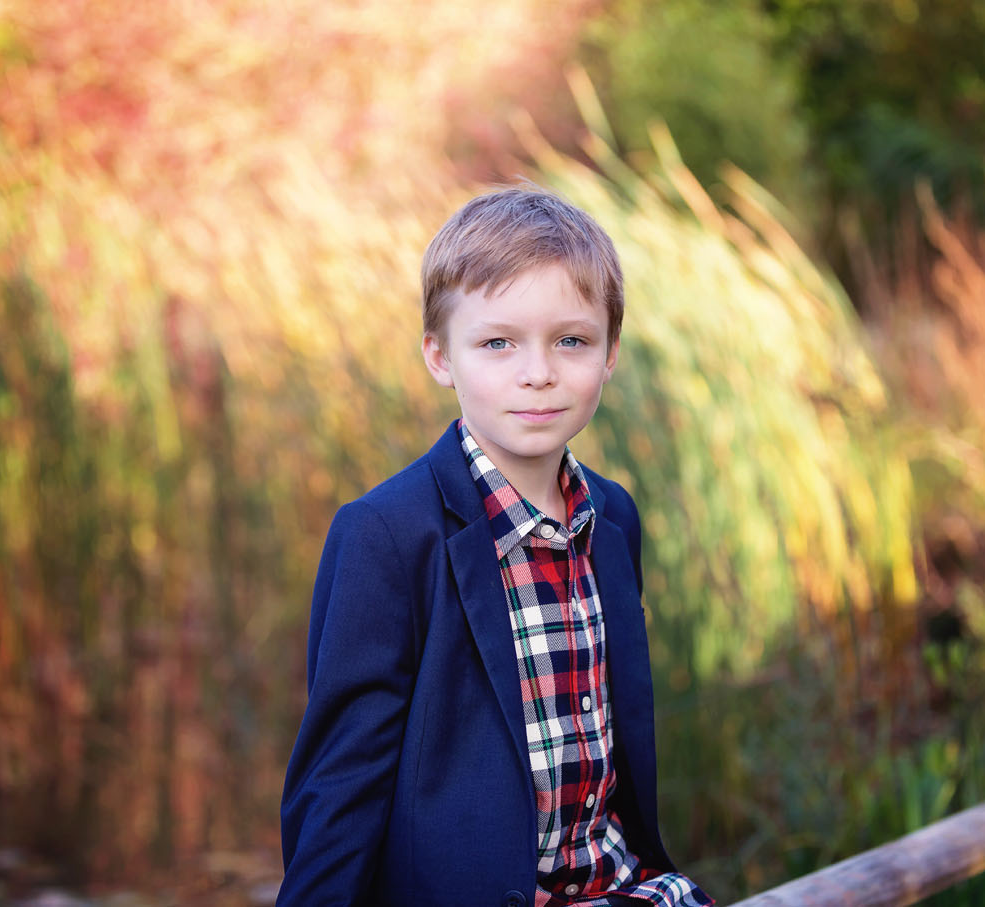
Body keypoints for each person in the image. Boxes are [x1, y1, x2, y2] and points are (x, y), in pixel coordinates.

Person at [278, 186, 713, 907]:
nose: (537, 372)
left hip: (616, 888)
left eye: (571, 340)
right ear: (440, 356)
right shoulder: (386, 536)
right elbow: (341, 782)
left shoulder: (612, 518)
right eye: (497, 342)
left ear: (609, 354)